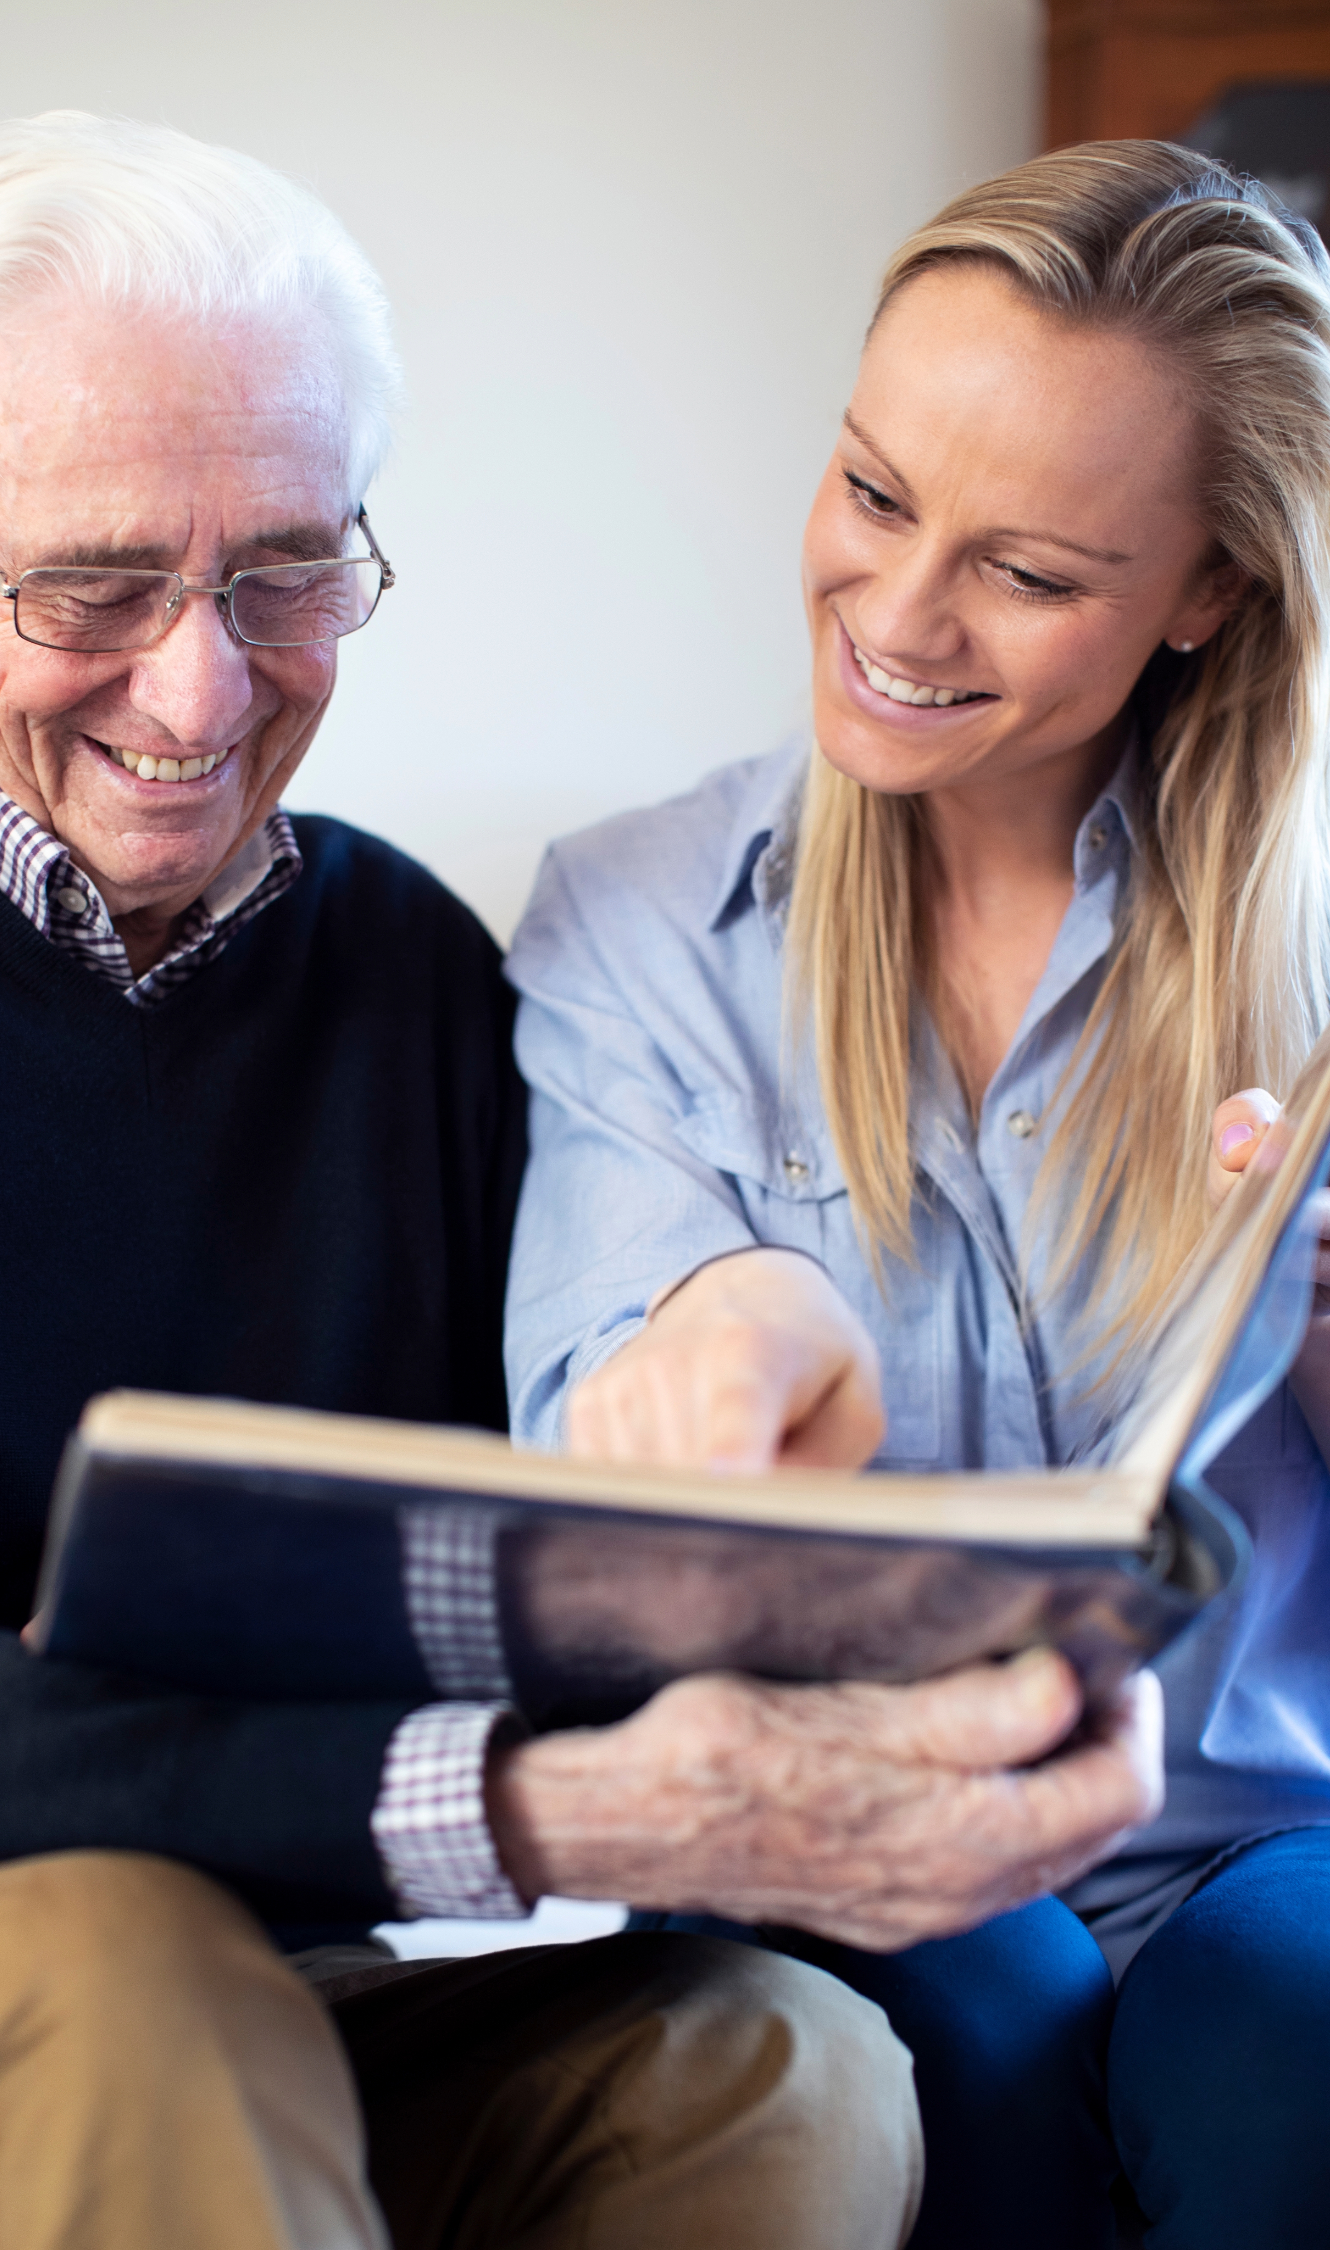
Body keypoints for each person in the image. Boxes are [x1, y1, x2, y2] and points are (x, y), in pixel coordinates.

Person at [0, 109, 1161, 2250]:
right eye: (92, 585)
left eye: (286, 574)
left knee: (778, 2065)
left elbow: (527, 1567)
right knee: (127, 1983)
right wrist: (522, 1803)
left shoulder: (402, 972)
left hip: (298, 1961)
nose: (201, 689)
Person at [504, 140, 1330, 2250]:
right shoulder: (639, 926)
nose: (896, 618)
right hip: (838, 1813)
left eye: (1033, 572)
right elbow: (589, 1440)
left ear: (1210, 592)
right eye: (875, 495)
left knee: (1287, 2042)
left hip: (1265, 1839)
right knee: (975, 2011)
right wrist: (708, 1353)